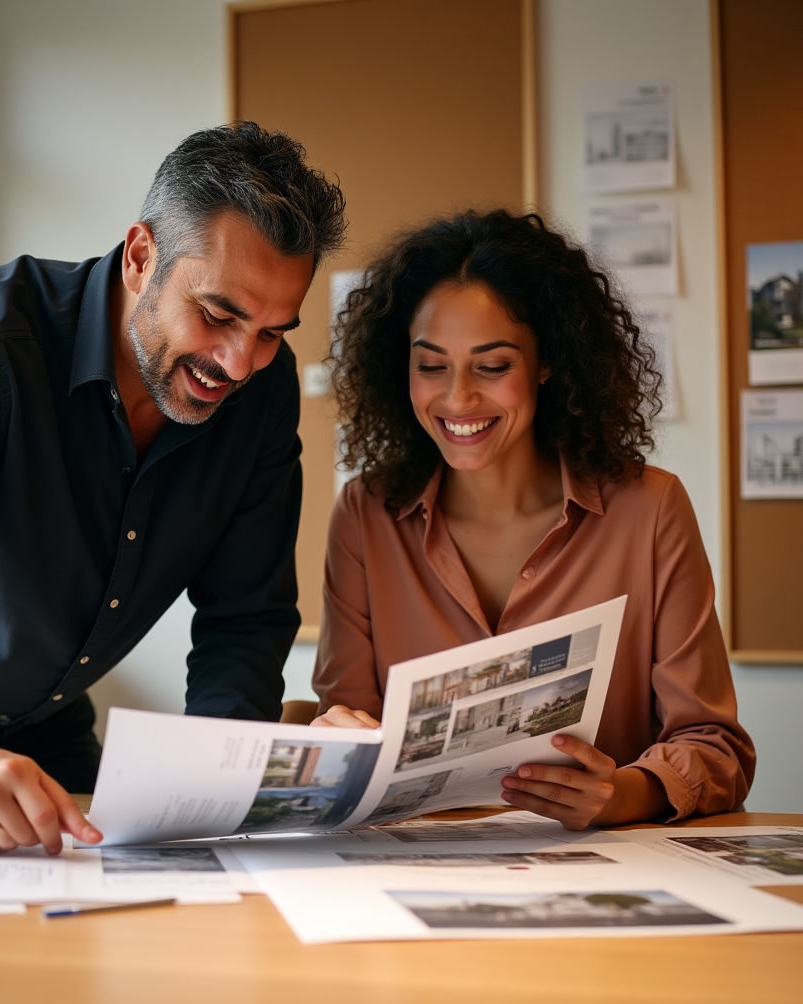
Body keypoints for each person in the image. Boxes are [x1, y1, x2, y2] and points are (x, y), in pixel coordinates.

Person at [0, 122, 346, 855]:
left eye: (271, 331)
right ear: (142, 256)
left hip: (42, 707)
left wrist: (216, 779)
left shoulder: (262, 398)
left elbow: (245, 617)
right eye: (217, 315)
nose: (239, 363)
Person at [311, 210, 755, 829]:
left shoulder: (650, 510)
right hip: (413, 870)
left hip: (598, 873)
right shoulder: (366, 515)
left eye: (493, 367)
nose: (459, 398)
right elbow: (348, 724)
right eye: (431, 366)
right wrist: (332, 734)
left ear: (547, 361)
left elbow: (715, 747)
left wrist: (626, 793)